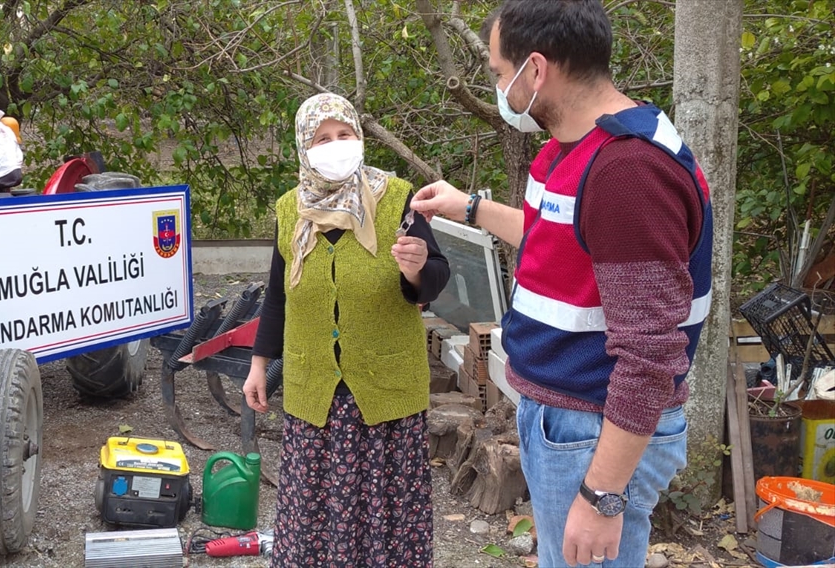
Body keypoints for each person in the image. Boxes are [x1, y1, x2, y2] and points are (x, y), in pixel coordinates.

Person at [410, 2, 713, 566]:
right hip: (570, 418)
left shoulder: (627, 171)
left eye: (501, 74)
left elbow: (650, 352)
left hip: (593, 427)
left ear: (536, 69)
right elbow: (555, 238)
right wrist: (469, 207)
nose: (500, 88)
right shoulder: (572, 147)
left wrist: (602, 496)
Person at [242, 93, 451, 567]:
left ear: (359, 138)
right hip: (314, 390)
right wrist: (259, 366)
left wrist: (417, 269)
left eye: (345, 135)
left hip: (384, 393)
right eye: (323, 139)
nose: (337, 146)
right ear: (303, 148)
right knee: (316, 519)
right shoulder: (289, 210)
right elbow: (278, 298)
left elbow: (433, 280)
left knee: (387, 521)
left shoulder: (397, 198)